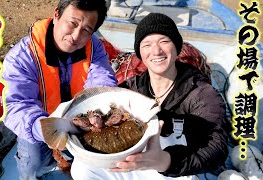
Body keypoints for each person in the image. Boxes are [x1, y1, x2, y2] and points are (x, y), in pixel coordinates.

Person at [70, 13, 229, 179]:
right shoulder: (131, 88)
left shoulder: (202, 94)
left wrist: (164, 161)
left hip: (174, 169)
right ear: (140, 53)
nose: (156, 50)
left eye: (164, 41)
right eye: (147, 44)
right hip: (133, 162)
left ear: (177, 48)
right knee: (82, 168)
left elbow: (217, 148)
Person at [2, 0, 117, 179]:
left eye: (86, 30)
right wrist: (46, 129)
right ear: (57, 15)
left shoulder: (94, 48)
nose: (76, 35)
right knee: (33, 166)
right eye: (73, 23)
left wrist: (98, 110)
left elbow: (101, 80)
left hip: (80, 119)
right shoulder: (21, 57)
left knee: (94, 156)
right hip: (38, 123)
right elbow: (17, 104)